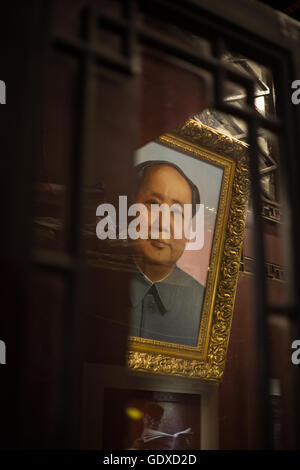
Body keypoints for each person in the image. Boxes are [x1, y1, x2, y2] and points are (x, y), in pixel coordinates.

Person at [129, 160, 205, 347]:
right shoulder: (92, 284)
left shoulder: (206, 307)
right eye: (153, 204)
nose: (162, 223)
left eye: (178, 212)